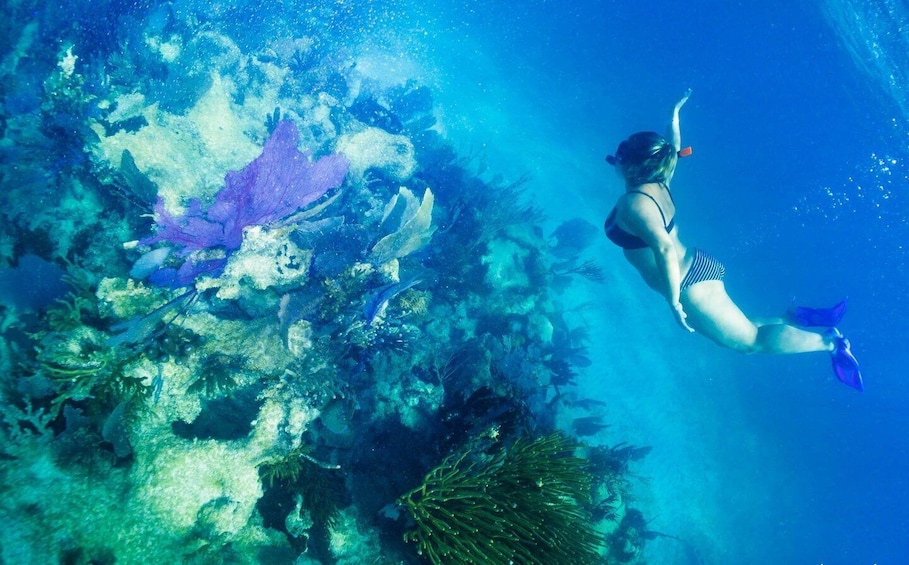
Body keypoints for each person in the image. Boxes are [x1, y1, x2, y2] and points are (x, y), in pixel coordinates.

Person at [603, 90, 863, 391]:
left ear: (634, 166)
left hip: (689, 286)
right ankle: (794, 318)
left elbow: (662, 248)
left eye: (621, 155)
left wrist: (674, 302)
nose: (616, 158)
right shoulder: (661, 176)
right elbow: (672, 149)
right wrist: (673, 117)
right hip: (697, 268)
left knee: (750, 342)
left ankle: (831, 343)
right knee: (743, 325)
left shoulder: (634, 205)